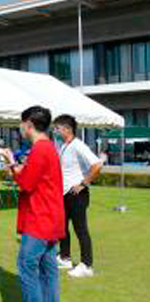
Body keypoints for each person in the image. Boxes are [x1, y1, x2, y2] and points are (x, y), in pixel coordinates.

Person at [0, 106, 65, 302]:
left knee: (27, 268)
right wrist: (17, 166)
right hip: (51, 217)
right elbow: (34, 179)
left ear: (28, 124)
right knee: (48, 270)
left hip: (40, 218)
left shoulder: (40, 149)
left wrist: (11, 163)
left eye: (21, 124)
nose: (20, 128)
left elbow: (26, 183)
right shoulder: (49, 148)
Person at [53, 114, 103, 278]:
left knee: (80, 229)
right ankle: (65, 257)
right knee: (62, 227)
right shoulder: (64, 145)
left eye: (58, 128)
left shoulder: (78, 145)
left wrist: (83, 183)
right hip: (65, 193)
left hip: (77, 194)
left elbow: (96, 165)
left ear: (67, 129)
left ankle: (87, 265)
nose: (56, 131)